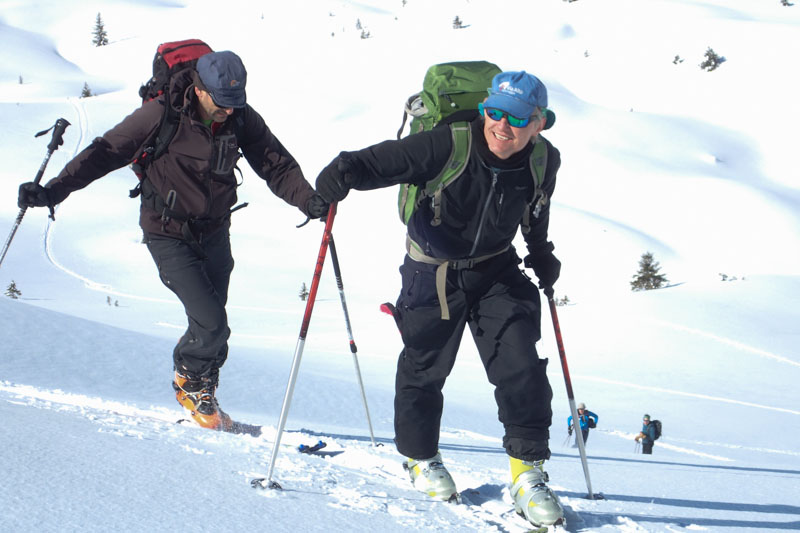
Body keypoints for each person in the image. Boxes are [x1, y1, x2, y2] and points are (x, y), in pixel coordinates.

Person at [17, 51, 329, 431]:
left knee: (214, 324)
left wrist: (308, 199)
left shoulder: (240, 118)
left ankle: (204, 386)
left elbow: (275, 163)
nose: (229, 110)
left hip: (215, 230)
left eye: (236, 102)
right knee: (212, 322)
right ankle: (189, 382)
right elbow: (106, 152)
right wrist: (53, 191)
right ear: (199, 89)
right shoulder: (161, 114)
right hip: (167, 231)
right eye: (222, 102)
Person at [315, 71, 564, 528]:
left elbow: (535, 208)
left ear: (539, 123)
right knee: (425, 367)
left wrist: (541, 251)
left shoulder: (543, 159)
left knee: (522, 365)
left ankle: (527, 473)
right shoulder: (450, 144)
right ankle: (420, 457)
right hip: (433, 270)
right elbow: (382, 162)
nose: (501, 125)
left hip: (496, 269)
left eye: (515, 118)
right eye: (493, 112)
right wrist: (343, 172)